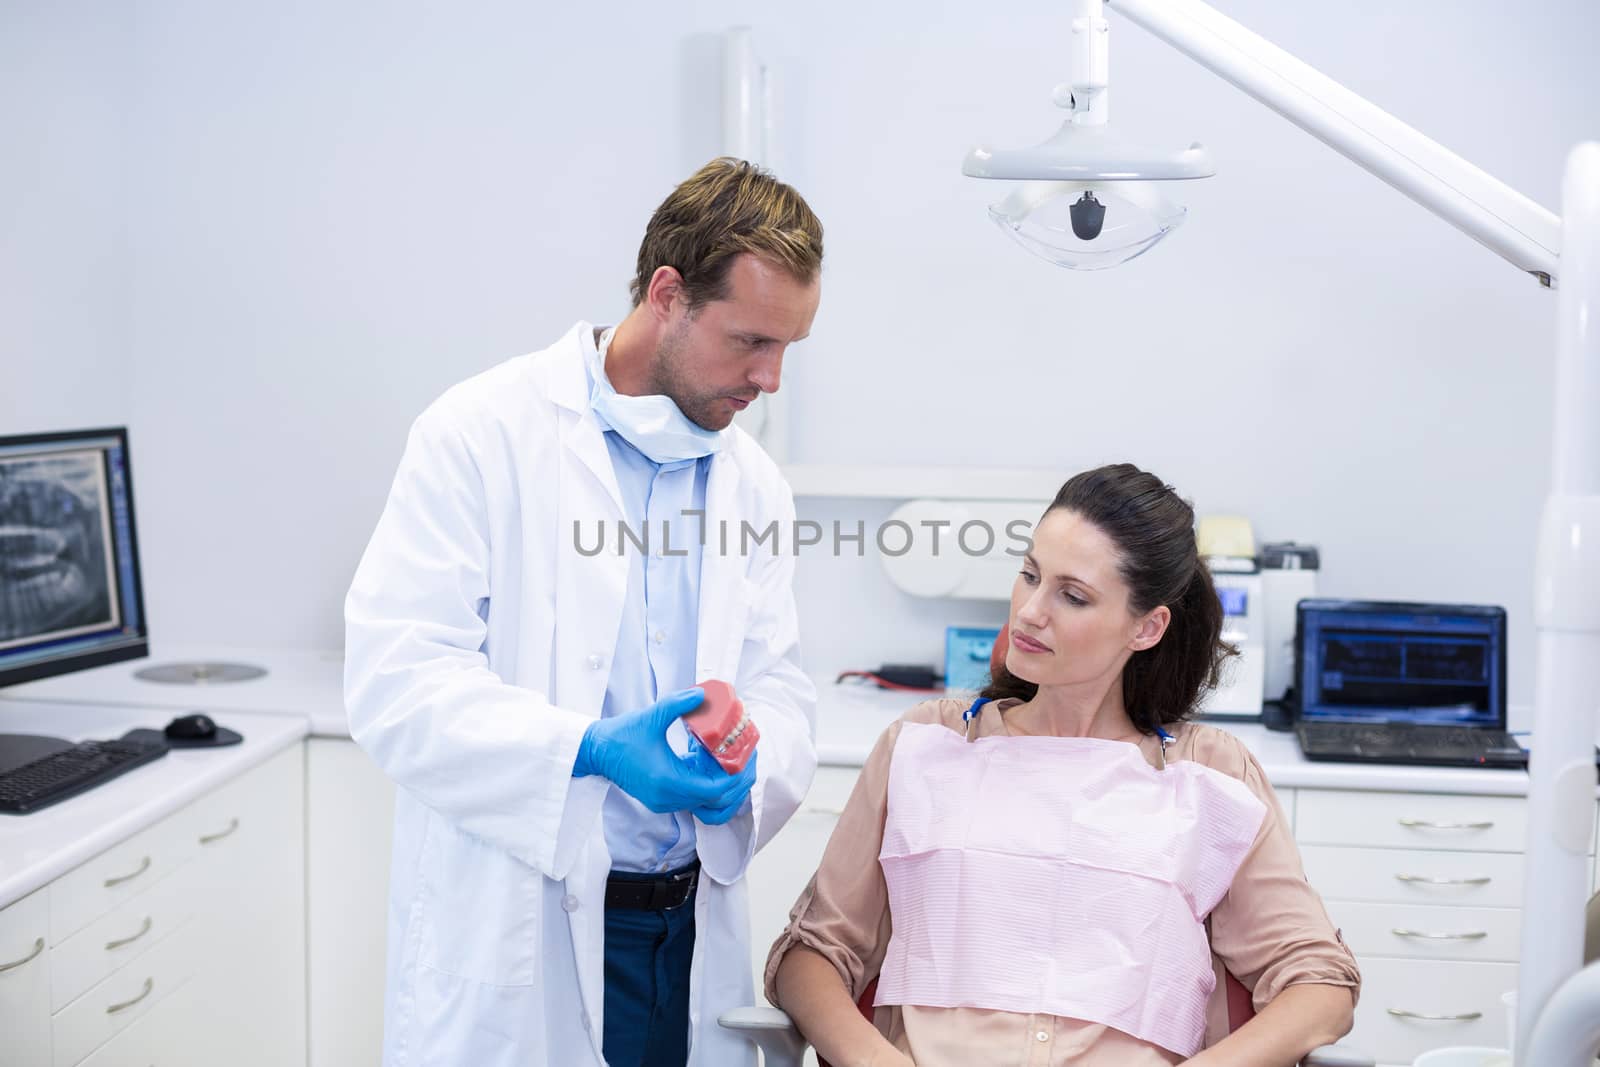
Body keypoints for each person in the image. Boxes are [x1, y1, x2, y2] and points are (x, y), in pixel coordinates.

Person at [344, 158, 823, 1067]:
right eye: (751, 340)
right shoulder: (482, 435)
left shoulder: (751, 482)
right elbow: (397, 681)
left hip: (680, 929)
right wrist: (587, 749)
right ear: (668, 293)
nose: (770, 378)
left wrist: (751, 763)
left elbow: (779, 679)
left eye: (789, 347)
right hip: (523, 930)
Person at [767, 464, 1360, 1067]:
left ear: (1148, 627)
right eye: (1029, 575)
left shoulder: (1208, 774)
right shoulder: (927, 745)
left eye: (1071, 596)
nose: (1029, 612)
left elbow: (1321, 987)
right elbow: (810, 953)